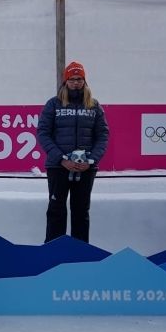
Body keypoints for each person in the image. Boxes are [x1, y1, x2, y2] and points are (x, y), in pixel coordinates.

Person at [37, 61, 109, 244]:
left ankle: (81, 252)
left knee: (81, 211)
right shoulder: (53, 104)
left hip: (85, 169)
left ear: (84, 81)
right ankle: (53, 251)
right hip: (58, 167)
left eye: (79, 79)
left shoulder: (94, 106)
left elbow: (102, 136)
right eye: (72, 79)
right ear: (65, 81)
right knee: (56, 210)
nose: (76, 83)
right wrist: (61, 159)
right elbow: (43, 133)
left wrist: (91, 161)